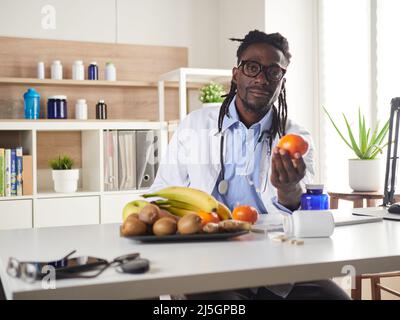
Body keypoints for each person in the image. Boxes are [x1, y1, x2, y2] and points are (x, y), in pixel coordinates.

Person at [150, 30, 349, 300]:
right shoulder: (194, 126)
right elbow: (163, 194)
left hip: (276, 260)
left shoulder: (296, 138)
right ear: (236, 73)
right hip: (206, 261)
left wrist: (289, 190)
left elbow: (306, 218)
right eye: (252, 67)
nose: (260, 78)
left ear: (281, 81)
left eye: (273, 72)